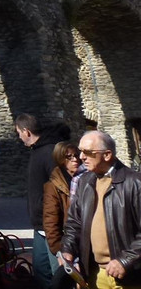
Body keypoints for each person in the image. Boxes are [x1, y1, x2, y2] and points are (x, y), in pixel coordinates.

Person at [60, 130, 141, 287]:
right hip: (94, 273)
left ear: (107, 155)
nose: (81, 157)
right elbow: (74, 222)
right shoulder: (85, 182)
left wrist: (125, 261)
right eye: (80, 151)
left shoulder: (135, 183)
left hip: (128, 275)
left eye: (87, 152)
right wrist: (67, 249)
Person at [17, 113, 71, 289]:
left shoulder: (48, 152)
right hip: (39, 226)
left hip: (52, 224)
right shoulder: (38, 151)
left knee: (59, 275)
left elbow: (61, 187)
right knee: (41, 273)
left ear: (26, 131)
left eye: (19, 133)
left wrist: (53, 217)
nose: (19, 138)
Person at [43, 141, 81, 283]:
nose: (75, 159)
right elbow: (50, 221)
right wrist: (60, 251)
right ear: (60, 159)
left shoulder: (86, 178)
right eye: (69, 157)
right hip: (65, 245)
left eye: (76, 155)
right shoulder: (53, 186)